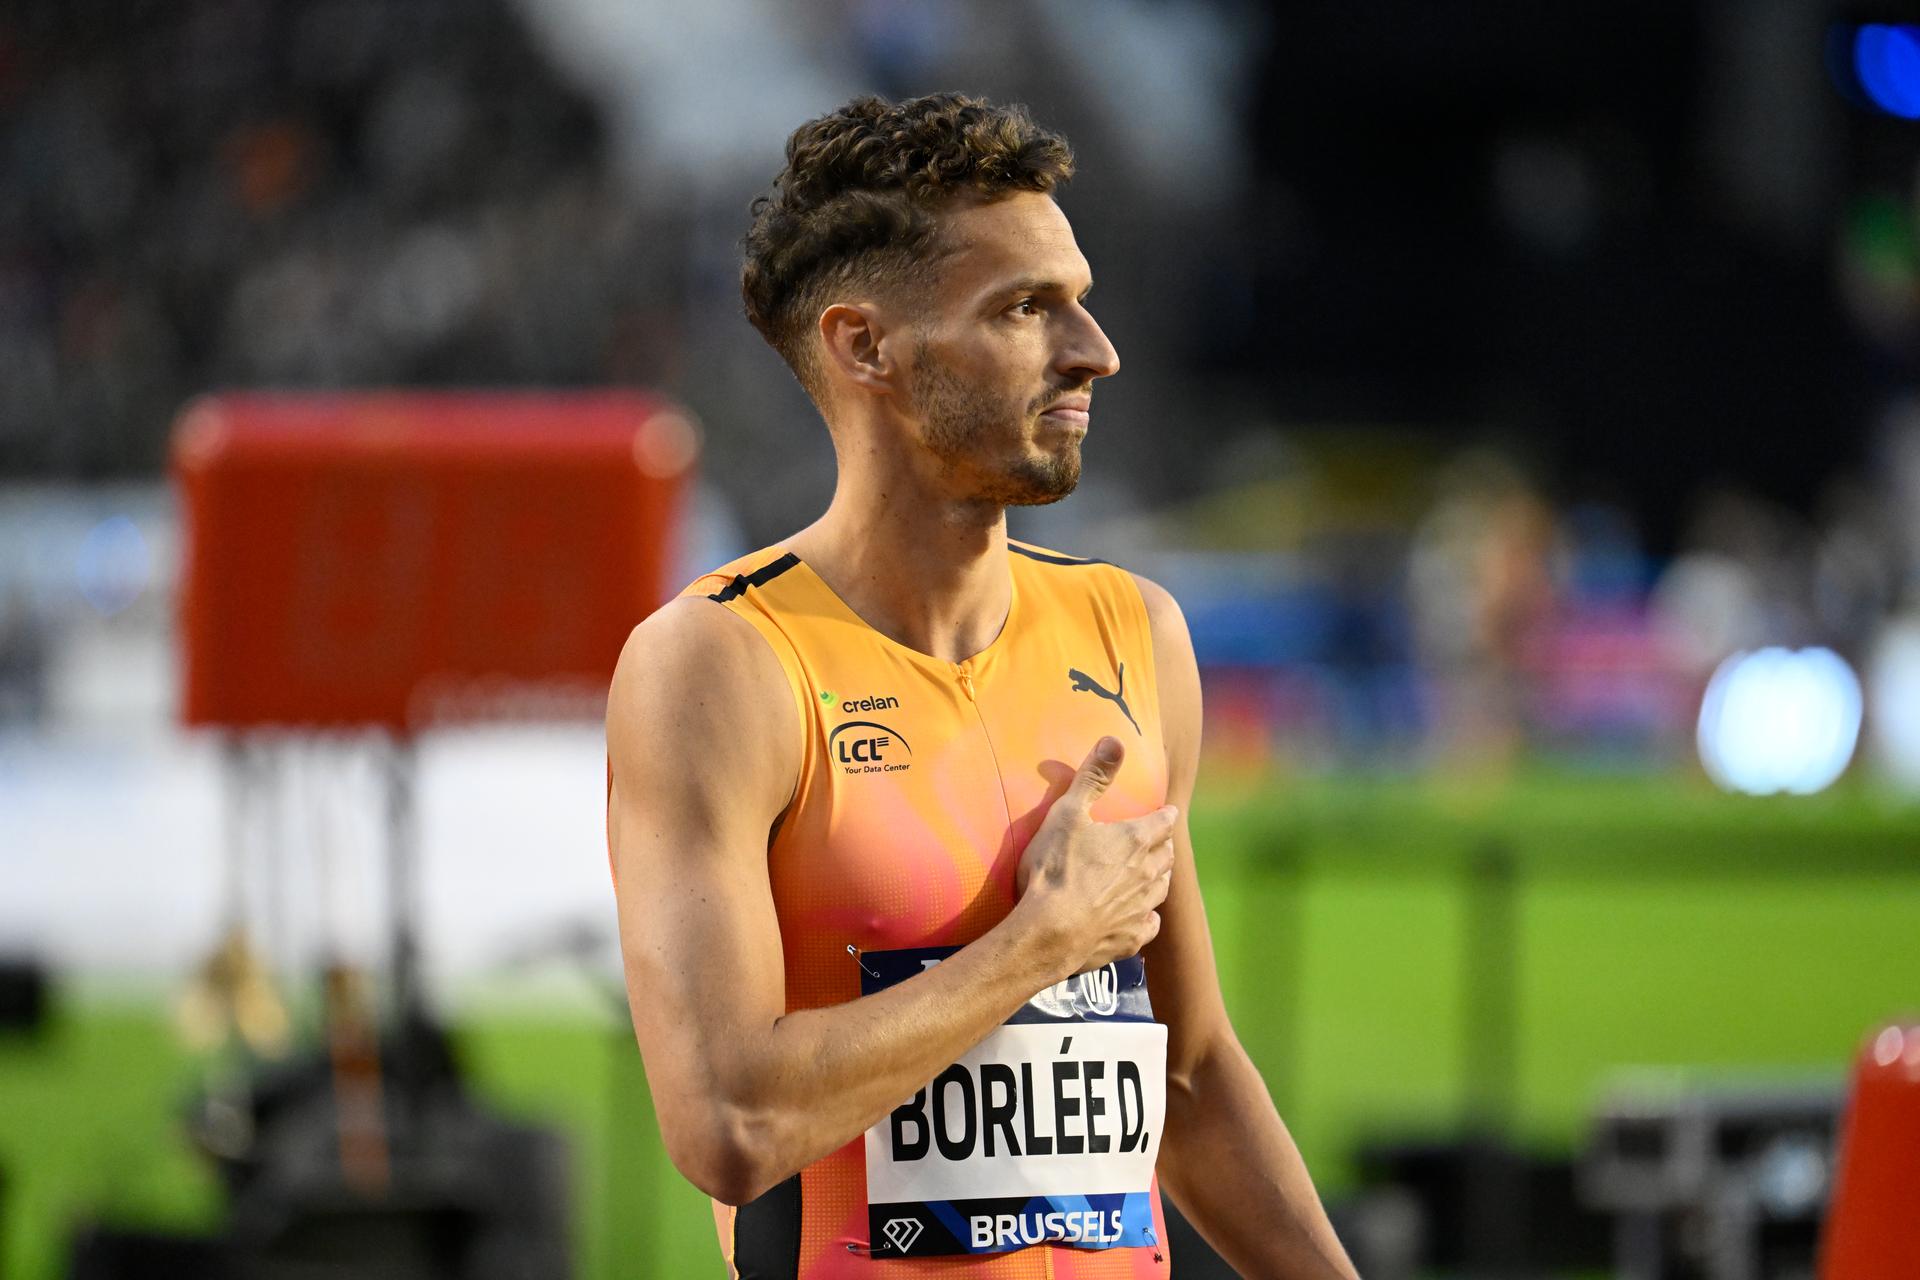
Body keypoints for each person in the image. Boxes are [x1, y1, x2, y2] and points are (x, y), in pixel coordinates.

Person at [606, 92, 1359, 1279]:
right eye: (1024, 308)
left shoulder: (1133, 633)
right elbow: (731, 1126)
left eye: (1080, 298)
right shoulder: (720, 663)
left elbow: (1192, 1075)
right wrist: (1038, 945)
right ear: (865, 347)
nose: (1092, 350)